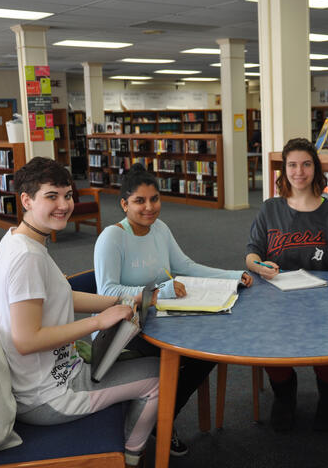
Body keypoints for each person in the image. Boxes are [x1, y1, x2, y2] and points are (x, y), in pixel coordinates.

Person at [0, 157, 159, 468]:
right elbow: (26, 340)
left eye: (67, 195)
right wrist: (97, 322)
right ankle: (130, 457)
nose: (64, 205)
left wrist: (116, 303)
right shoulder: (26, 259)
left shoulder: (20, 240)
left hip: (48, 378)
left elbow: (60, 296)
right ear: (26, 200)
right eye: (51, 196)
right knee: (159, 378)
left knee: (136, 359)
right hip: (49, 395)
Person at [94, 163, 253, 455]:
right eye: (139, 201)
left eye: (154, 199)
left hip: (160, 319)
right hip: (123, 331)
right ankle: (160, 418)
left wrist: (233, 276)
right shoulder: (112, 238)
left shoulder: (160, 229)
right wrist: (154, 294)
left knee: (207, 351)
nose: (149, 207)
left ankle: (162, 417)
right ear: (124, 204)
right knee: (185, 354)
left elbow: (186, 267)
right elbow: (107, 293)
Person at [246, 137, 328, 432]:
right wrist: (258, 265)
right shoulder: (270, 209)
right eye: (292, 165)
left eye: (306, 164)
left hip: (320, 301)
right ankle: (284, 396)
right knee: (270, 342)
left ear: (315, 169)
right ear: (284, 171)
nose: (299, 171)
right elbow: (252, 253)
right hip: (276, 300)